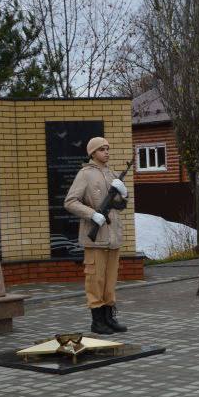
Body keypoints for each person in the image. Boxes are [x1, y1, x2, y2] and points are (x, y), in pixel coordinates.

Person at [64, 137, 130, 334]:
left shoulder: (111, 173)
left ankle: (109, 317)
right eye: (102, 149)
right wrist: (92, 214)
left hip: (112, 238)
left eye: (107, 148)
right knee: (95, 279)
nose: (106, 152)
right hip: (96, 238)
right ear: (92, 153)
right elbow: (70, 202)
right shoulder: (85, 174)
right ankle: (97, 320)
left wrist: (123, 194)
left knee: (110, 279)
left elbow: (119, 205)